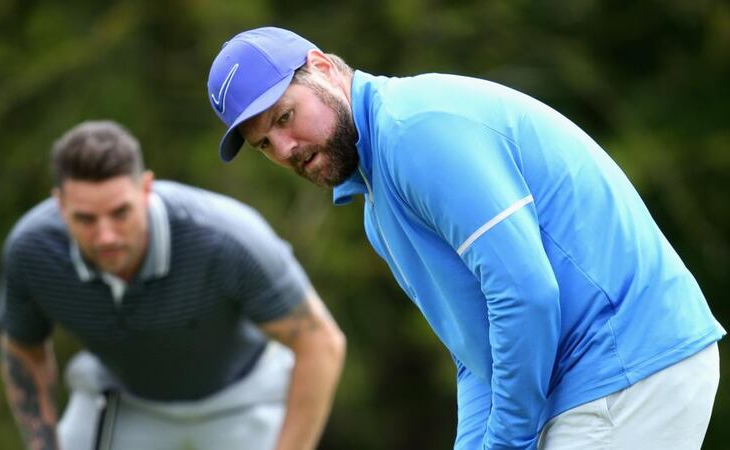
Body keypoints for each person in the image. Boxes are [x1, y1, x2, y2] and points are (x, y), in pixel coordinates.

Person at [206, 27, 725, 449]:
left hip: (624, 365)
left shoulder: (414, 130)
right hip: (584, 381)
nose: (285, 148)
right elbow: (477, 357)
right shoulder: (378, 205)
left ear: (321, 67)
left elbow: (524, 293)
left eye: (285, 117)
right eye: (264, 144)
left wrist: (506, 443)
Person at [0, 120, 346, 450]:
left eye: (120, 213)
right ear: (60, 203)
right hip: (120, 399)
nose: (105, 237)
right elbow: (23, 349)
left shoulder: (225, 239)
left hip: (243, 398)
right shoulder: (32, 251)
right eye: (85, 219)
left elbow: (320, 343)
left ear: (146, 189)